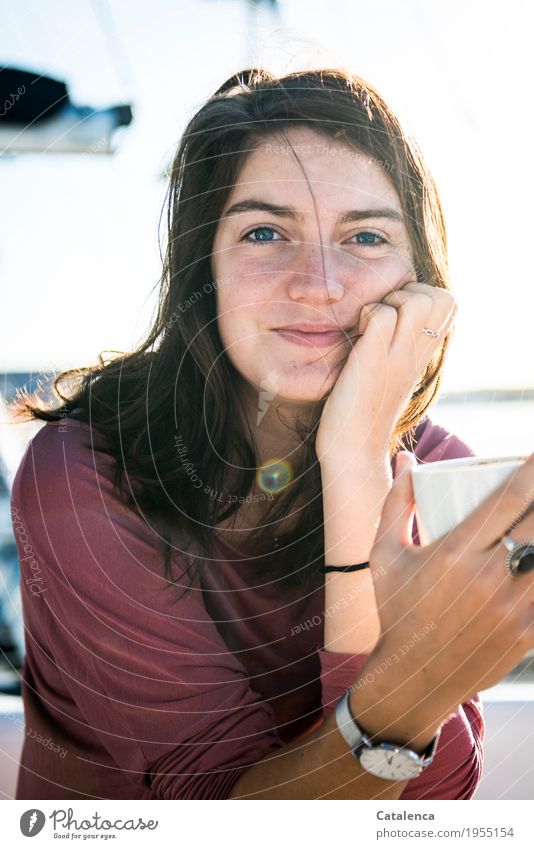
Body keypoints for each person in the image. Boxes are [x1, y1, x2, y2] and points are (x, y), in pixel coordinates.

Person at [9, 67, 534, 801]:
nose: (317, 282)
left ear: (419, 278)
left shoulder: (437, 469)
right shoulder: (86, 474)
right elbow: (221, 817)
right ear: (205, 268)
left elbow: (429, 807)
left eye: (365, 235)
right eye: (264, 231)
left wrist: (355, 467)